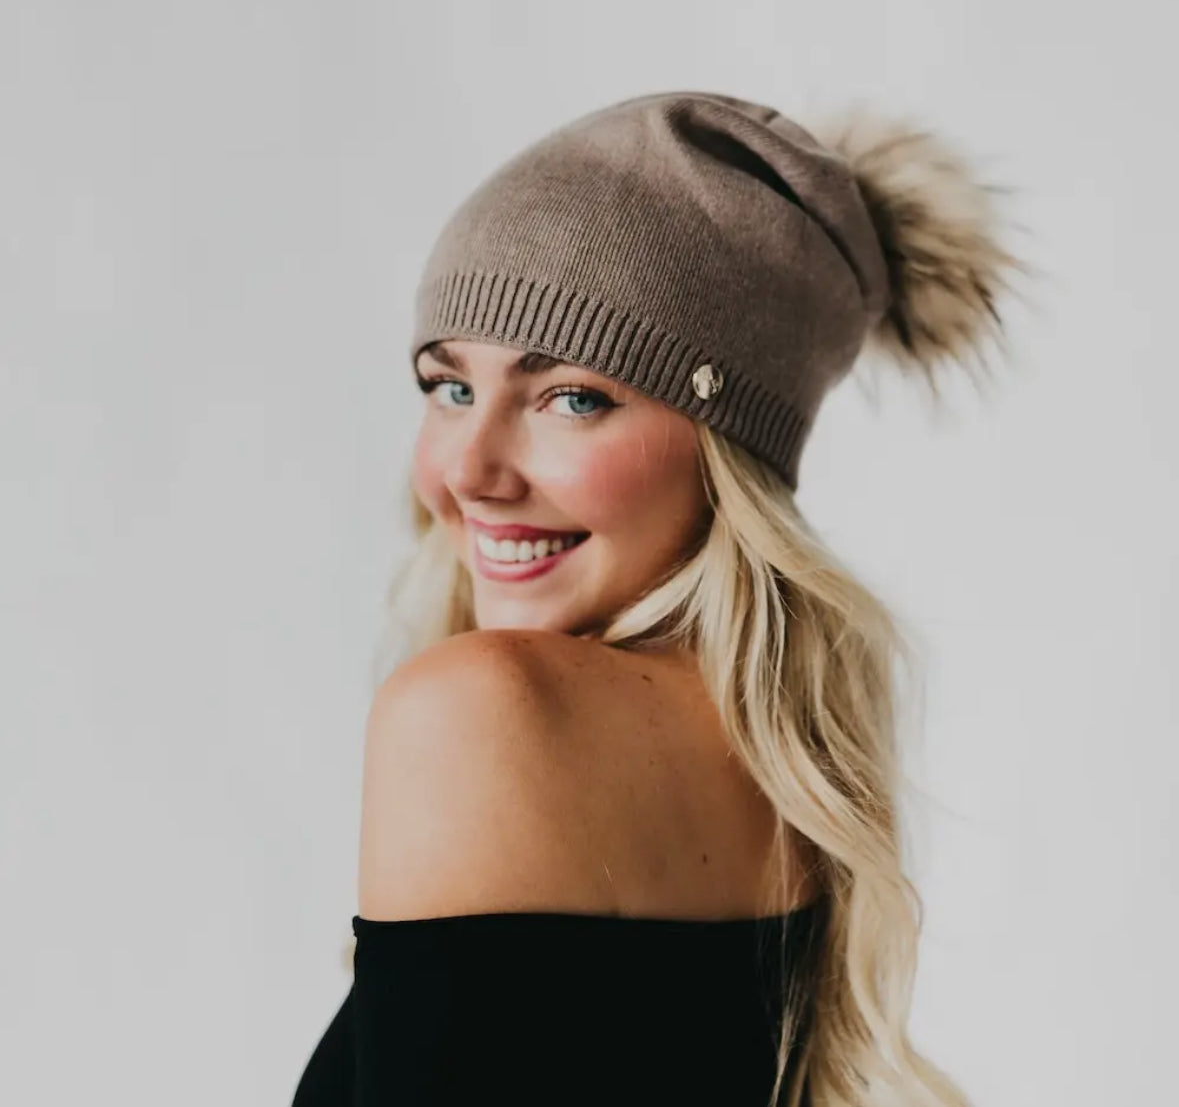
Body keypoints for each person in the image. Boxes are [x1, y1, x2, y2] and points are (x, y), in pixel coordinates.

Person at [290, 89, 1026, 1107]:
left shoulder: (482, 708)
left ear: (726, 448)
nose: (469, 471)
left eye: (571, 397)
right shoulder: (783, 763)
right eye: (450, 386)